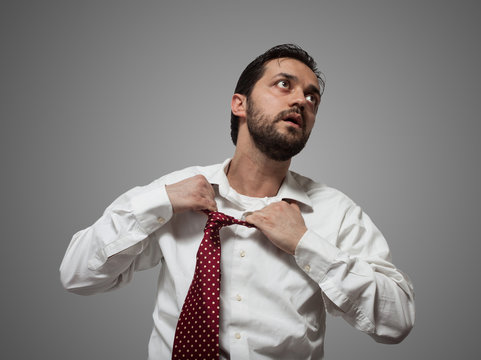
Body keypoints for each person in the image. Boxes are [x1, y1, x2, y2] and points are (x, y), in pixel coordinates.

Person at [60, 44, 415, 359]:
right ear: (239, 104)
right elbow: (77, 275)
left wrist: (307, 245)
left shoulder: (334, 213)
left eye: (312, 98)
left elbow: (397, 321)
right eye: (283, 84)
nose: (300, 101)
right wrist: (160, 203)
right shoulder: (174, 191)